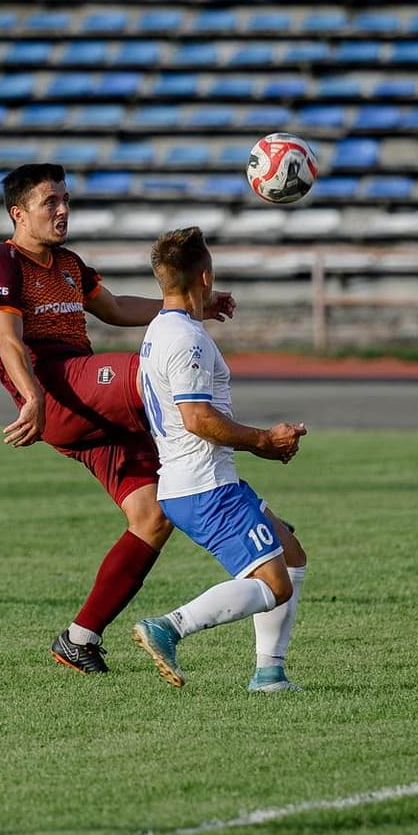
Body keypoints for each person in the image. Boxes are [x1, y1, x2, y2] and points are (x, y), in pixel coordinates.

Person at [0, 163, 235, 674]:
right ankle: (243, 502)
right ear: (18, 214)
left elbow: (114, 308)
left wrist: (193, 308)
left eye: (65, 200)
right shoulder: (4, 263)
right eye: (50, 202)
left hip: (89, 403)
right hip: (57, 388)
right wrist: (31, 396)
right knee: (152, 371)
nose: (62, 210)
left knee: (153, 517)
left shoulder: (69, 263)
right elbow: (7, 337)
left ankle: (80, 637)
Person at [129, 226, 309, 693]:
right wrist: (263, 440)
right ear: (205, 277)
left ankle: (270, 675)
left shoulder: (162, 328)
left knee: (290, 555)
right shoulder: (186, 340)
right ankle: (168, 627)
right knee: (276, 585)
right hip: (205, 485)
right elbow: (197, 418)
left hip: (194, 480)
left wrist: (204, 306)